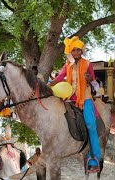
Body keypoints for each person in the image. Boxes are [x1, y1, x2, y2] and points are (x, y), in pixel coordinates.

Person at [48, 36, 101, 173]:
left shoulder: (88, 64)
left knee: (91, 124)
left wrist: (89, 80)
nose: (76, 52)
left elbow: (95, 83)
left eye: (78, 50)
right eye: (74, 50)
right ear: (70, 52)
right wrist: (46, 85)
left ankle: (93, 159)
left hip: (86, 97)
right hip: (70, 96)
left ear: (82, 51)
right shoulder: (67, 65)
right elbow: (59, 78)